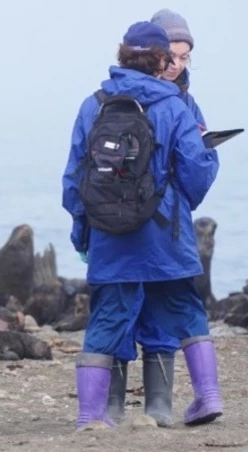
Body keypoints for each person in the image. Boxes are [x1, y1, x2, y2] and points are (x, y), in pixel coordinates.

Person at [61, 21, 222, 430]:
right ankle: (207, 397)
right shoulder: (174, 106)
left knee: (106, 318)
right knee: (186, 309)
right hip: (164, 234)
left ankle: (90, 415)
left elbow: (74, 180)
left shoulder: (93, 105)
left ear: (122, 55)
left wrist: (83, 232)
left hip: (109, 235)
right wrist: (178, 204)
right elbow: (196, 170)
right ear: (161, 60)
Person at [107, 9, 210, 427]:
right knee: (136, 309)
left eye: (185, 58)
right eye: (172, 55)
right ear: (154, 53)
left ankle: (142, 407)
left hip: (126, 224)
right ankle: (141, 407)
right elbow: (196, 171)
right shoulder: (172, 106)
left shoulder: (108, 99)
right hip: (154, 225)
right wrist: (181, 195)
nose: (177, 65)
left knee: (135, 312)